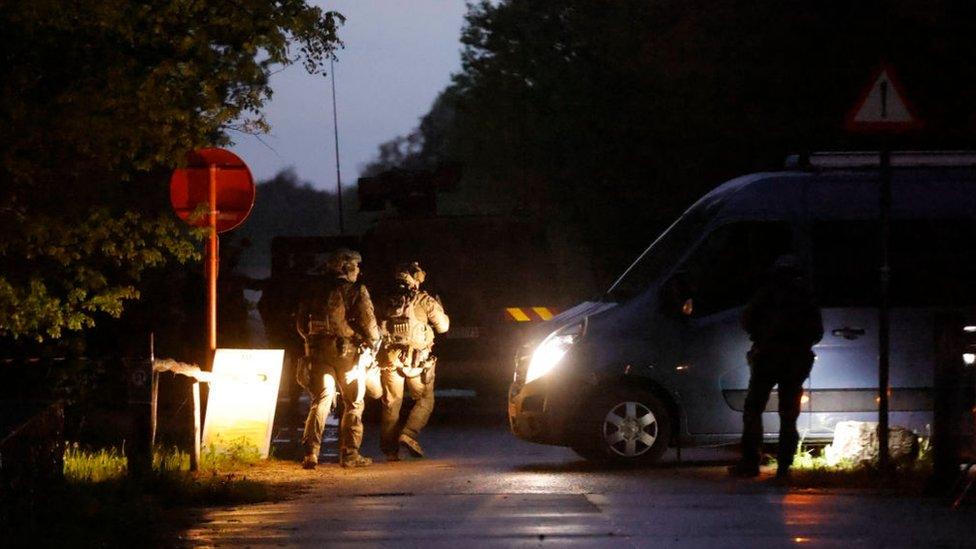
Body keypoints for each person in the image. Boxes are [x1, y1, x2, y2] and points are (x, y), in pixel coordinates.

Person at [729, 255, 823, 480]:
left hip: (768, 358)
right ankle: (783, 468)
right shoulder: (805, 297)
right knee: (788, 415)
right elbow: (816, 332)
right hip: (795, 361)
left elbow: (747, 320)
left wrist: (762, 337)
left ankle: (750, 462)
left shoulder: (767, 294)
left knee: (753, 409)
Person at [296, 248, 380, 469]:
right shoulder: (355, 291)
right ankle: (350, 454)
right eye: (356, 265)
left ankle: (310, 454)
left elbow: (301, 325)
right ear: (347, 267)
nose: (358, 270)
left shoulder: (313, 290)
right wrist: (373, 344)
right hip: (347, 354)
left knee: (321, 400)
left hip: (316, 352)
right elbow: (369, 325)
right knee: (354, 402)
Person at [377, 261, 449, 461]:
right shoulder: (424, 300)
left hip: (391, 360)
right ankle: (408, 434)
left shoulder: (386, 301)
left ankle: (390, 451)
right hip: (417, 363)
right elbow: (443, 327)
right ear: (416, 279)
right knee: (425, 399)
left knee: (392, 403)